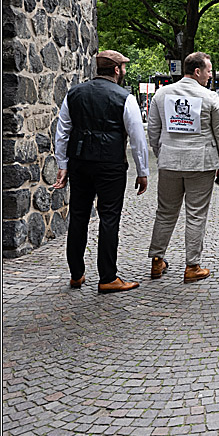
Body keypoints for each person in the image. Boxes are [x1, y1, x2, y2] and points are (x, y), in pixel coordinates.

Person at [53, 50, 149, 293]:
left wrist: (62, 165)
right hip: (110, 165)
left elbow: (63, 131)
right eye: (123, 67)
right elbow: (137, 137)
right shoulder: (124, 97)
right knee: (109, 217)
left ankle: (76, 274)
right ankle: (107, 276)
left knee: (78, 215)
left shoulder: (74, 93)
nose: (124, 71)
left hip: (80, 162)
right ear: (116, 70)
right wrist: (142, 170)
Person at [146, 51, 219, 283]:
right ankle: (192, 266)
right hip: (201, 163)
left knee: (165, 212)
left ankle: (156, 261)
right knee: (196, 214)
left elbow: (153, 131)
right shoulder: (210, 98)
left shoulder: (161, 95)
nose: (210, 75)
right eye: (209, 71)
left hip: (170, 162)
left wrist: (162, 153)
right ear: (197, 71)